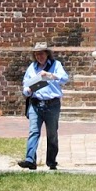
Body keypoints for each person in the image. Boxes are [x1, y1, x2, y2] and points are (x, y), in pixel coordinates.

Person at [18, 41, 69, 170]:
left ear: (47, 54)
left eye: (41, 54)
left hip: (52, 104)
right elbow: (25, 85)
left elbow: (64, 78)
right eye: (37, 54)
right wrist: (28, 90)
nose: (39, 57)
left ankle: (51, 161)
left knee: (52, 134)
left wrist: (50, 75)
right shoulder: (32, 67)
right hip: (35, 104)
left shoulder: (56, 65)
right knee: (34, 132)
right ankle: (30, 160)